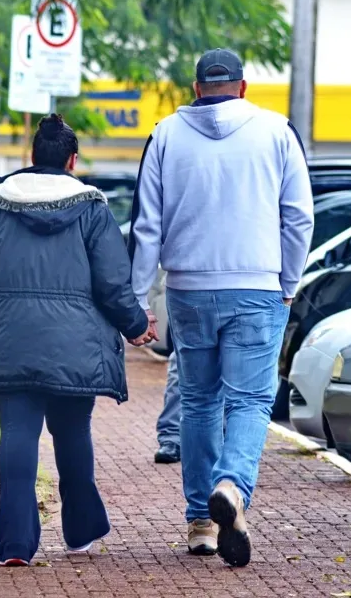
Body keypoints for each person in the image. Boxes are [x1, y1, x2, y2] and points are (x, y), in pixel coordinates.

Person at [130, 48, 314, 566]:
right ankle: (232, 485)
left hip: (187, 288)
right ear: (243, 86)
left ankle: (199, 524)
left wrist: (139, 298)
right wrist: (289, 281)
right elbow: (298, 216)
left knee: (199, 401)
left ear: (195, 88)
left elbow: (147, 225)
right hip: (257, 286)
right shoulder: (277, 132)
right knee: (251, 402)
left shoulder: (166, 134)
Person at [0, 114, 152, 568]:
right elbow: (113, 285)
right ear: (72, 161)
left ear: (31, 158)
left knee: (18, 433)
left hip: (7, 340)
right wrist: (137, 326)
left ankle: (15, 546)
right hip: (75, 346)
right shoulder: (93, 209)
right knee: (73, 433)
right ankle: (79, 534)